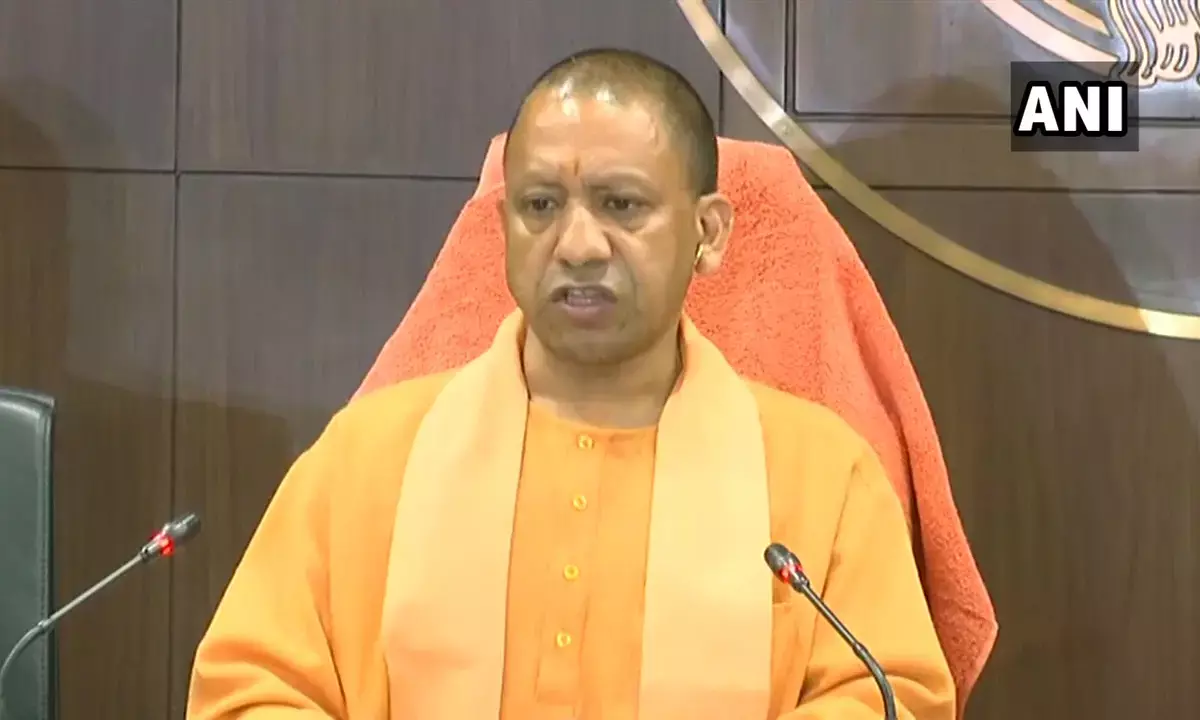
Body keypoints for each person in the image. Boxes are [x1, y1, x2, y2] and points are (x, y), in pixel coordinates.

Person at [185, 48, 955, 720]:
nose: (579, 244)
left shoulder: (820, 474)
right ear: (504, 229)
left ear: (709, 233)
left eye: (622, 205)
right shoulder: (368, 459)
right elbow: (250, 691)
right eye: (541, 206)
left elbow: (891, 698)